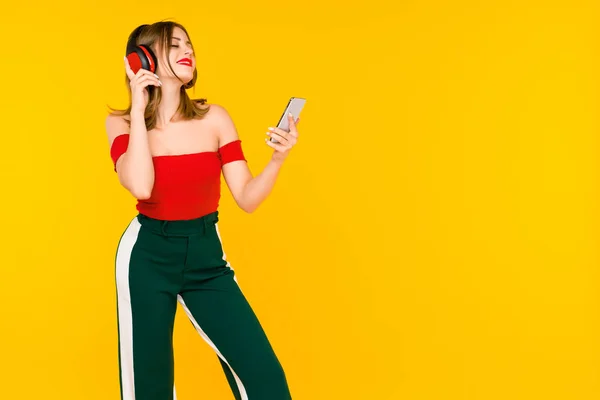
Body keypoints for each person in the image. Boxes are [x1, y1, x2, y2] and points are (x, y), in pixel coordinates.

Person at [105, 21, 299, 400]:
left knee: (265, 379)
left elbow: (246, 197)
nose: (187, 50)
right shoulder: (122, 124)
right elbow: (141, 186)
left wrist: (278, 159)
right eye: (173, 45)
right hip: (146, 257)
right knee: (149, 387)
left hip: (206, 254)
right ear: (142, 60)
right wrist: (141, 105)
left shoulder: (215, 118)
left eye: (189, 43)